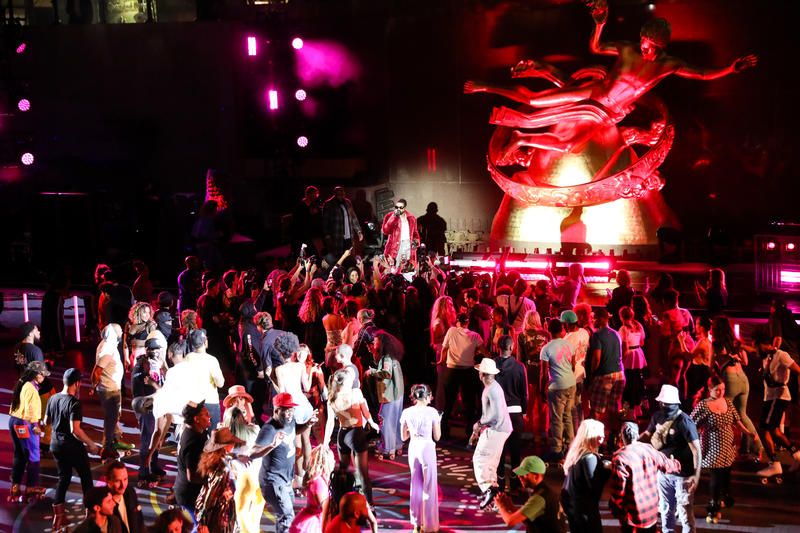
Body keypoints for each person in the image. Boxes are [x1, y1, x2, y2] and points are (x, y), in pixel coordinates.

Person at [465, 0, 756, 159]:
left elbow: (702, 73)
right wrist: (600, 23)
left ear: (660, 46)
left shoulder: (668, 65)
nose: (644, 48)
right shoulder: (628, 49)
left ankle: (521, 138)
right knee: (534, 102)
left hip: (607, 113)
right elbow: (597, 48)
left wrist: (730, 69)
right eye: (643, 42)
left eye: (649, 46)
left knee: (568, 146)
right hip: (593, 92)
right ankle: (486, 86)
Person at [690, 374, 754, 523]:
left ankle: (724, 495)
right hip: (712, 444)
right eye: (717, 390)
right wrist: (693, 440)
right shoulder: (703, 405)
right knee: (716, 475)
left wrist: (748, 432)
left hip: (728, 443)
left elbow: (737, 421)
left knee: (725, 473)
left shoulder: (728, 402)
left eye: (723, 389)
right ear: (710, 389)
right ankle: (714, 506)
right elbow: (691, 423)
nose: (721, 392)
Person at [249, 392, 317, 533]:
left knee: (285, 516)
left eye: (292, 410)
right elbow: (252, 453)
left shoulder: (289, 421)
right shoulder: (269, 429)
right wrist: (272, 445)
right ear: (276, 410)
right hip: (273, 482)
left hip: (286, 480)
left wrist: (307, 424)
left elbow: (295, 430)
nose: (290, 414)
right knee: (287, 518)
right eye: (287, 411)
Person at [44, 368, 101, 532]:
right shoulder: (74, 403)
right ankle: (91, 517)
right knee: (86, 478)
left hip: (56, 444)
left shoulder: (53, 398)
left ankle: (58, 519)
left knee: (64, 478)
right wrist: (91, 444)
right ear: (77, 383)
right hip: (72, 446)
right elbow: (75, 430)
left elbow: (46, 421)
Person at [640, 384, 701, 533]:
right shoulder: (657, 416)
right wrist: (633, 444)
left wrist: (696, 475)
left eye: (667, 404)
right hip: (663, 473)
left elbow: (696, 450)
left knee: (685, 512)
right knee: (666, 509)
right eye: (663, 403)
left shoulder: (684, 421)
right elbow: (647, 435)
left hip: (682, 475)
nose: (663, 406)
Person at [609, 421, 681, 533]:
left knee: (613, 505)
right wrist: (677, 463)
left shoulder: (620, 457)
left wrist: (615, 506)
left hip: (633, 516)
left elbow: (618, 493)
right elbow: (669, 465)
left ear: (622, 436)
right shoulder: (649, 449)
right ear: (637, 435)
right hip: (651, 512)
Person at [324, 370, 380, 505]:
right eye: (350, 379)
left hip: (342, 436)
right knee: (363, 474)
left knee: (343, 471)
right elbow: (365, 412)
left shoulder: (332, 398)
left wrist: (325, 443)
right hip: (356, 435)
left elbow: (330, 423)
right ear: (344, 382)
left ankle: (340, 501)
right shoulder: (356, 393)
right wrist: (372, 423)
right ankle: (369, 505)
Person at [753, 329, 800, 479]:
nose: (755, 349)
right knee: (771, 429)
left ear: (762, 344)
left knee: (768, 429)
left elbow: (798, 369)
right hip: (770, 397)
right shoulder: (766, 356)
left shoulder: (781, 355)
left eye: (756, 346)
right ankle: (795, 456)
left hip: (779, 396)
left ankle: (775, 464)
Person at [471, 357, 512, 509]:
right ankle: (494, 496)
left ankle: (488, 489)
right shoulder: (493, 387)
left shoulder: (492, 390)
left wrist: (479, 424)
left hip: (497, 429)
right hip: (500, 428)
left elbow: (494, 415)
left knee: (480, 459)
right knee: (491, 462)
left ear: (481, 374)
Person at [400, 384, 441, 533]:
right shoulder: (432, 412)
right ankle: (430, 525)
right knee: (429, 486)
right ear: (428, 396)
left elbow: (403, 437)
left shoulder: (407, 412)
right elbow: (437, 436)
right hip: (427, 448)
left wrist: (412, 431)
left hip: (414, 447)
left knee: (416, 486)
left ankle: (417, 524)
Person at [7, 361, 49, 503]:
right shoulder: (31, 388)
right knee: (33, 454)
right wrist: (35, 425)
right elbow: (30, 409)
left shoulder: (23, 384)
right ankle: (31, 487)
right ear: (36, 374)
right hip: (25, 423)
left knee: (20, 454)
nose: (44, 377)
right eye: (42, 374)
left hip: (14, 421)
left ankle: (15, 486)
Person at [436, 312, 484, 439]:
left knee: (449, 401)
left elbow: (444, 349)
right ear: (467, 323)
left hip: (452, 370)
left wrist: (441, 360)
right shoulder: (475, 335)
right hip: (468, 371)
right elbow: (483, 350)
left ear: (458, 322)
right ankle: (469, 431)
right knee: (469, 403)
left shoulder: (451, 331)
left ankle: (443, 430)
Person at [561, 419, 611, 533]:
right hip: (585, 511)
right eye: (600, 433)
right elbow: (594, 488)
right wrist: (607, 471)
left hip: (574, 509)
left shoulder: (577, 453)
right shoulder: (589, 457)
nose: (603, 436)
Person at [93, 323, 133, 461]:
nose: (122, 333)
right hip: (109, 390)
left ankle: (114, 442)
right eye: (120, 331)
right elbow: (97, 371)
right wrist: (94, 385)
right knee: (111, 419)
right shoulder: (107, 349)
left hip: (111, 387)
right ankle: (107, 448)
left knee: (113, 417)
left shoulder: (107, 345)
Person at [493, 456, 564, 532]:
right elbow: (527, 519)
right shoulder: (544, 491)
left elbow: (510, 521)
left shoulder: (539, 497)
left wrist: (500, 506)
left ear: (536, 476)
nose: (519, 476)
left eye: (524, 474)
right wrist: (509, 506)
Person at [494, 334, 528, 493]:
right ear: (512, 347)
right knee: (515, 451)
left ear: (498, 348)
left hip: (498, 412)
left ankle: (500, 482)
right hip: (515, 412)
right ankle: (515, 484)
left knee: (499, 450)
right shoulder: (520, 367)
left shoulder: (492, 365)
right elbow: (524, 393)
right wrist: (524, 411)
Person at [366, 330, 406, 461]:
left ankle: (388, 448)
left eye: (375, 341)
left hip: (390, 394)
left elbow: (386, 373)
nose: (374, 343)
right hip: (397, 393)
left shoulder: (386, 358)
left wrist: (372, 372)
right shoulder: (392, 357)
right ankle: (397, 445)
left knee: (385, 420)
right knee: (395, 420)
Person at [195, 428, 244, 533]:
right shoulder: (222, 469)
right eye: (231, 443)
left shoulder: (218, 461)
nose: (234, 445)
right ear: (225, 446)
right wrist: (203, 521)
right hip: (219, 517)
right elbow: (210, 495)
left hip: (221, 513)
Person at [540, 318, 576, 459]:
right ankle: (571, 446)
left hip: (557, 386)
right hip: (571, 383)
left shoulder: (546, 348)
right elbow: (573, 366)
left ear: (549, 331)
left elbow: (543, 373)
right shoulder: (569, 345)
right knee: (568, 416)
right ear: (561, 330)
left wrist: (542, 389)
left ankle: (556, 449)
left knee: (556, 418)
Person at [588, 309, 625, 438]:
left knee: (597, 409)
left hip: (604, 375)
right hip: (619, 374)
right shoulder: (616, 334)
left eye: (594, 318)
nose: (593, 321)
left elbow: (597, 358)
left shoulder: (597, 335)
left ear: (600, 318)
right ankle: (614, 438)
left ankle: (594, 439)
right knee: (614, 408)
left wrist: (592, 373)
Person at [173, 401, 212, 520]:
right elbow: (192, 476)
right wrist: (212, 481)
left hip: (185, 489)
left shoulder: (195, 432)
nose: (210, 416)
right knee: (198, 526)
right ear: (196, 419)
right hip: (190, 496)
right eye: (206, 414)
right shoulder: (193, 442)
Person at [516, 310, 550, 437]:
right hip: (544, 372)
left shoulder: (522, 336)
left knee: (528, 404)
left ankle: (528, 432)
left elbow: (520, 359)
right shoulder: (546, 335)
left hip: (528, 373)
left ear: (526, 320)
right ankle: (543, 431)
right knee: (543, 404)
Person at [184, 329, 225, 429]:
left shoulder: (187, 359)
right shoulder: (211, 360)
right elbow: (220, 384)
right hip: (210, 402)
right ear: (205, 342)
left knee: (196, 434)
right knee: (212, 434)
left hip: (193, 403)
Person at [290, 445, 336, 533]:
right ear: (326, 461)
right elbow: (323, 509)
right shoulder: (318, 482)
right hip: (312, 524)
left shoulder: (322, 479)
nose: (334, 461)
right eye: (332, 459)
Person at [561, 309, 588, 431]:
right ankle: (580, 430)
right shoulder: (584, 332)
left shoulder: (568, 339)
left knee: (571, 407)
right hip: (582, 373)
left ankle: (574, 433)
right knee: (579, 404)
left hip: (572, 376)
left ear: (567, 323)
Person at [618, 306, 647, 418]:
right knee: (637, 381)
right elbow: (642, 342)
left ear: (621, 316)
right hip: (638, 353)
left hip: (629, 356)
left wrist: (620, 360)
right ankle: (637, 407)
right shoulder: (638, 325)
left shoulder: (623, 329)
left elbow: (625, 347)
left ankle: (629, 410)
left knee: (629, 383)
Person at [322, 186, 363, 261]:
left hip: (349, 236)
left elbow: (353, 217)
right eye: (338, 194)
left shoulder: (347, 202)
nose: (340, 195)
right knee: (338, 258)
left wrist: (359, 231)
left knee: (349, 256)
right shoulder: (329, 204)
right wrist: (327, 235)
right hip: (337, 237)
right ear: (335, 194)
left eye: (342, 193)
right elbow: (325, 221)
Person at [105, 461, 145, 533]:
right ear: (108, 480)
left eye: (125, 479)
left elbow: (140, 521)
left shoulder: (130, 492)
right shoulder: (102, 503)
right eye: (117, 481)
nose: (123, 485)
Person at [381, 198, 420, 266]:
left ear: (404, 208)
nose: (398, 209)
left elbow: (415, 233)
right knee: (396, 267)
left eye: (400, 207)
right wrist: (394, 217)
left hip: (408, 245)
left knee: (408, 267)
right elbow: (385, 231)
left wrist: (416, 241)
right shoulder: (389, 216)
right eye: (396, 207)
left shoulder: (411, 218)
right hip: (396, 246)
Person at [291, 185, 324, 257]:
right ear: (309, 194)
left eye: (316, 194)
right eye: (315, 194)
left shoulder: (311, 205)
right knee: (300, 255)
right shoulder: (301, 206)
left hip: (307, 235)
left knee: (313, 254)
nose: (316, 196)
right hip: (299, 235)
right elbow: (299, 221)